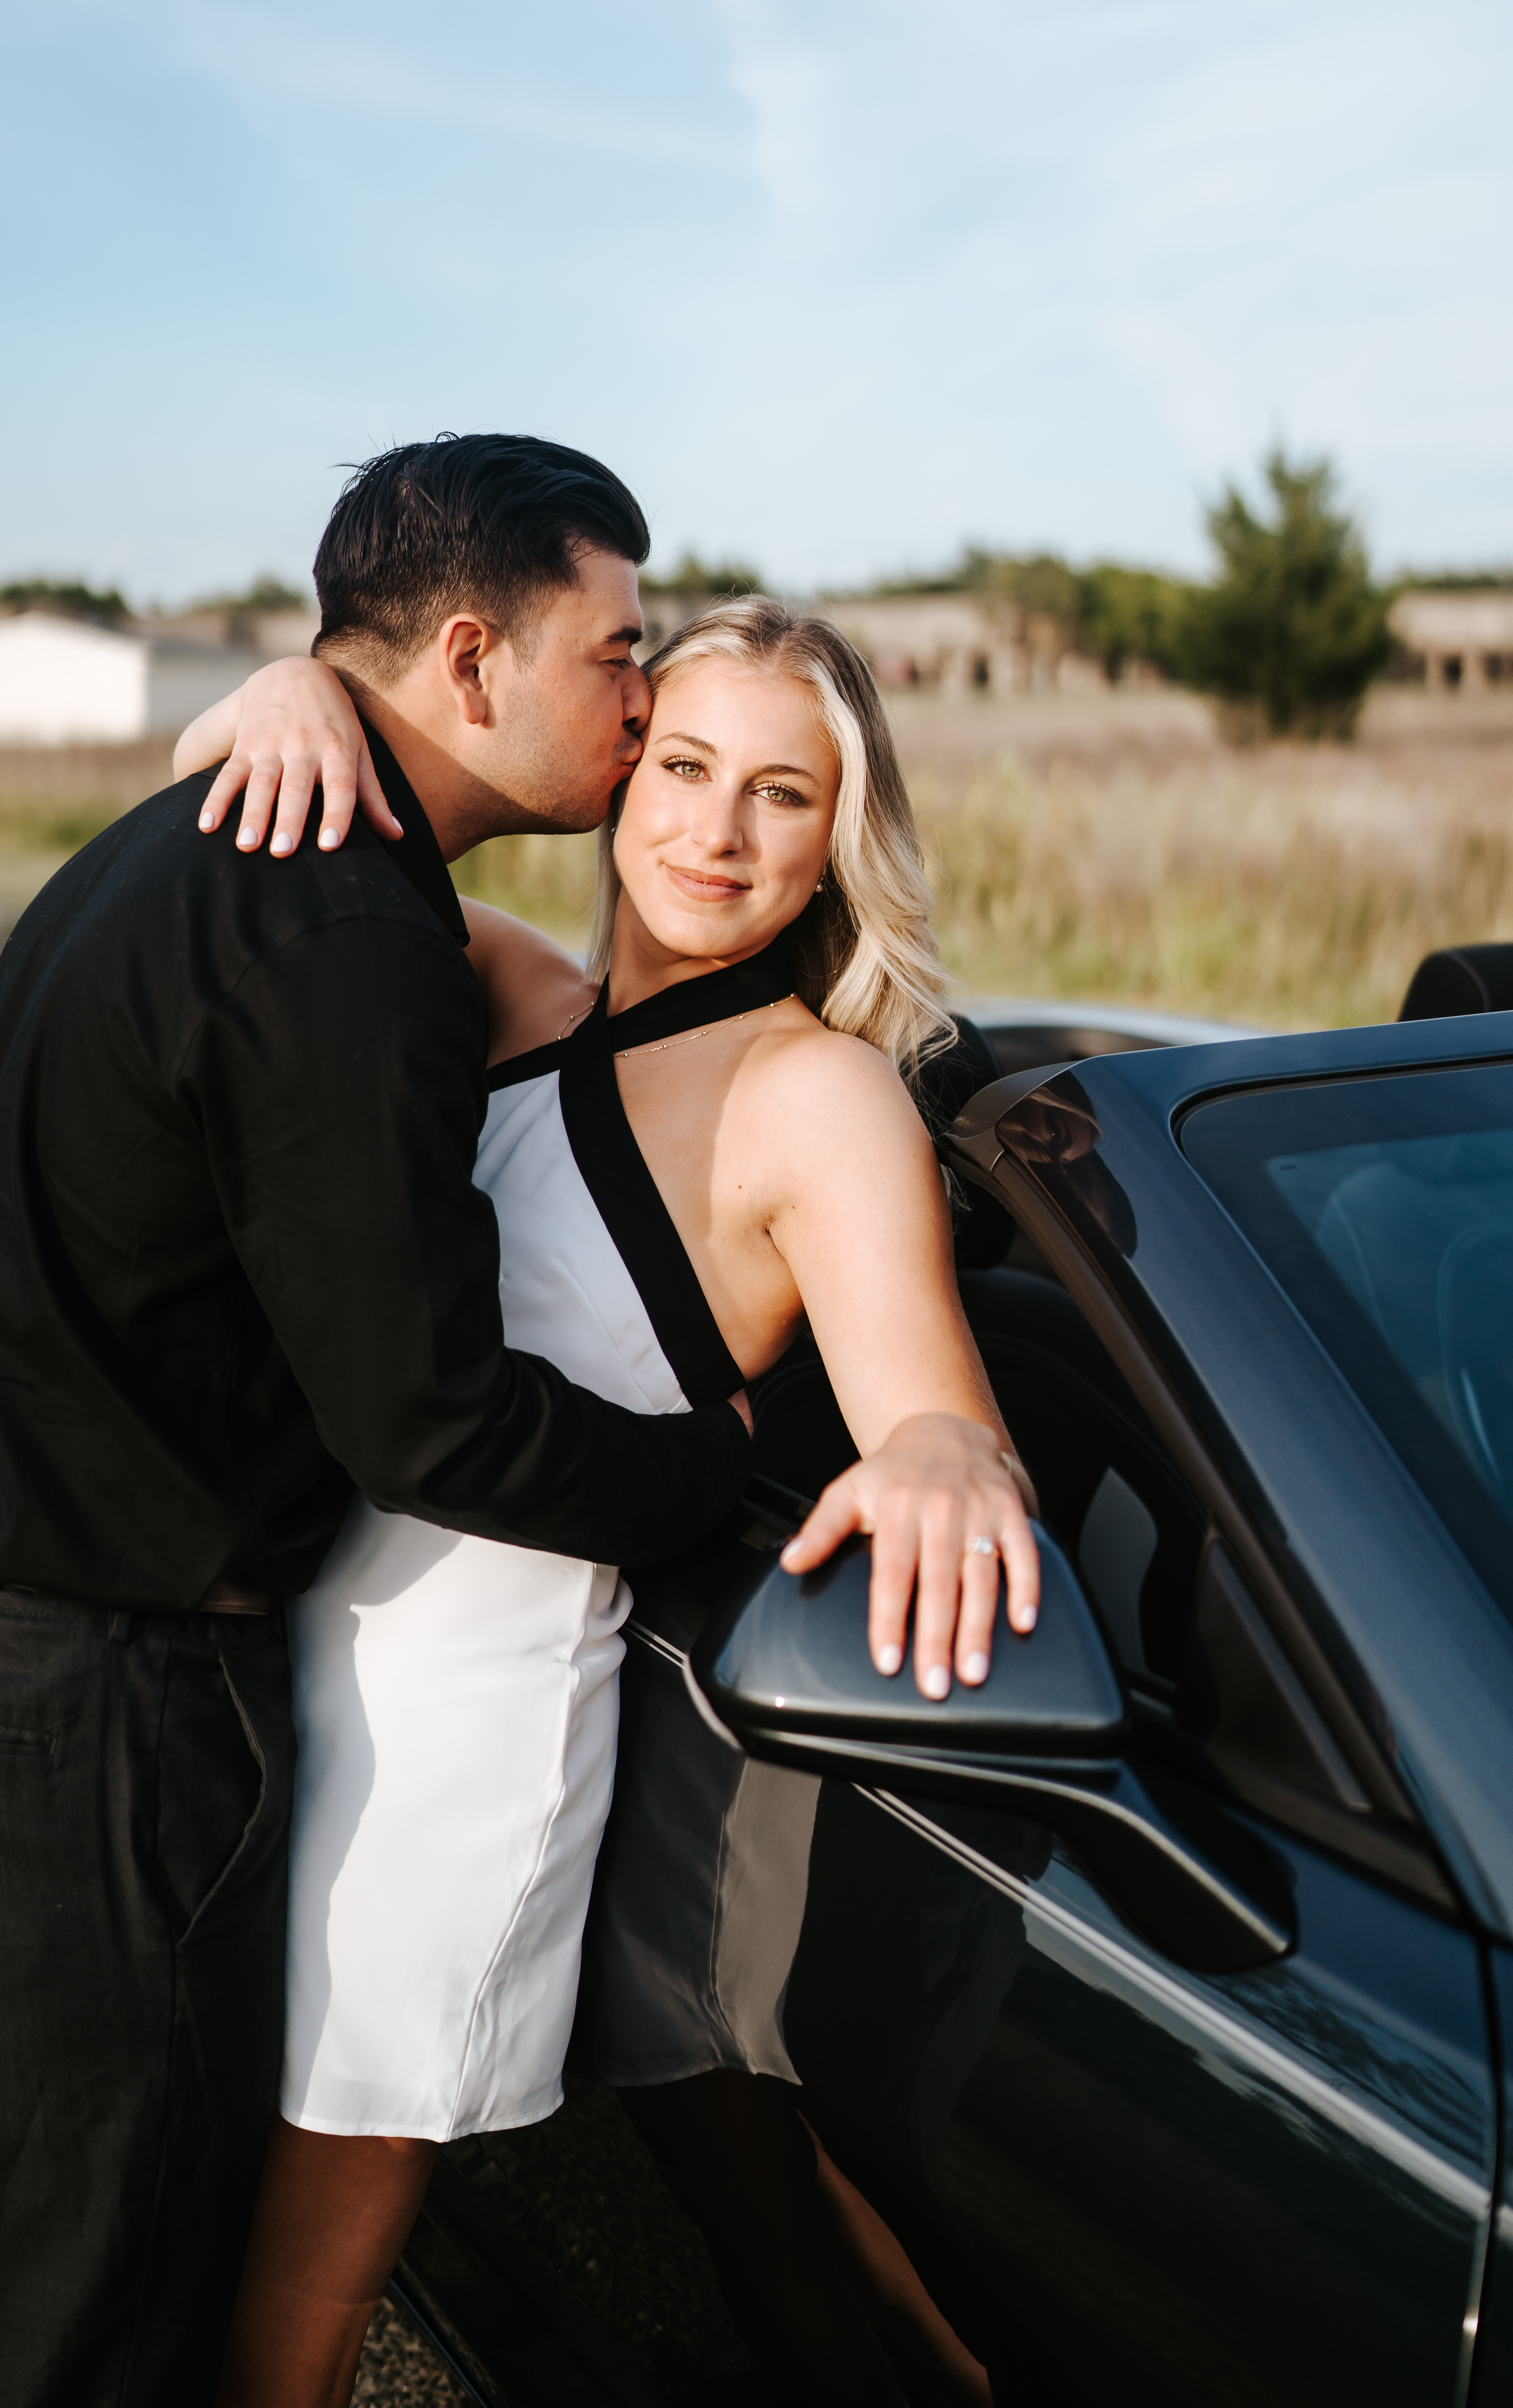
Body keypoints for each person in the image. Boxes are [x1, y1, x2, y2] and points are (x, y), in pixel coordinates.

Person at [0, 437, 766, 2408]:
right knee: (65, 2338)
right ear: (470, 662)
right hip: (71, 1730)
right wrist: (707, 1470)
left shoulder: (209, 833)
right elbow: (432, 1424)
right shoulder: (347, 938)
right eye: (618, 652)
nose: (643, 702)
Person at [177, 591, 1039, 2407]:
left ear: (836, 848)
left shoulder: (817, 1094)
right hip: (298, 1689)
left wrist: (953, 1457)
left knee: (303, 2285)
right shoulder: (511, 991)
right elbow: (223, 803)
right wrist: (291, 693)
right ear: (623, 768)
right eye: (690, 766)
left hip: (463, 1737)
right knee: (214, 2191)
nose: (716, 832)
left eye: (783, 797)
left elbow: (926, 1407)